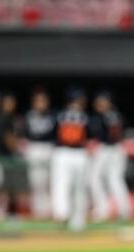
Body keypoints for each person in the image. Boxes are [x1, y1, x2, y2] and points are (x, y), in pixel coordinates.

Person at [87, 90, 131, 221]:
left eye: (103, 101)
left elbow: (97, 132)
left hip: (108, 149)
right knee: (113, 180)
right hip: (116, 149)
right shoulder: (116, 115)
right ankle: (123, 210)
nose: (99, 104)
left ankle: (104, 209)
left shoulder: (105, 116)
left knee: (98, 179)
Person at [51, 87, 90, 231]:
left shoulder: (84, 117)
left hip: (78, 152)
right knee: (62, 184)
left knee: (78, 187)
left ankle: (76, 217)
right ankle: (62, 214)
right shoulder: (60, 116)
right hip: (64, 152)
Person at [23, 87, 57, 219]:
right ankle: (38, 211)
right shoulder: (29, 116)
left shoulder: (53, 116)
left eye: (43, 101)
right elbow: (23, 134)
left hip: (49, 148)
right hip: (34, 148)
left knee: (51, 180)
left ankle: (51, 210)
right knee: (36, 181)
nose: (41, 104)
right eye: (38, 101)